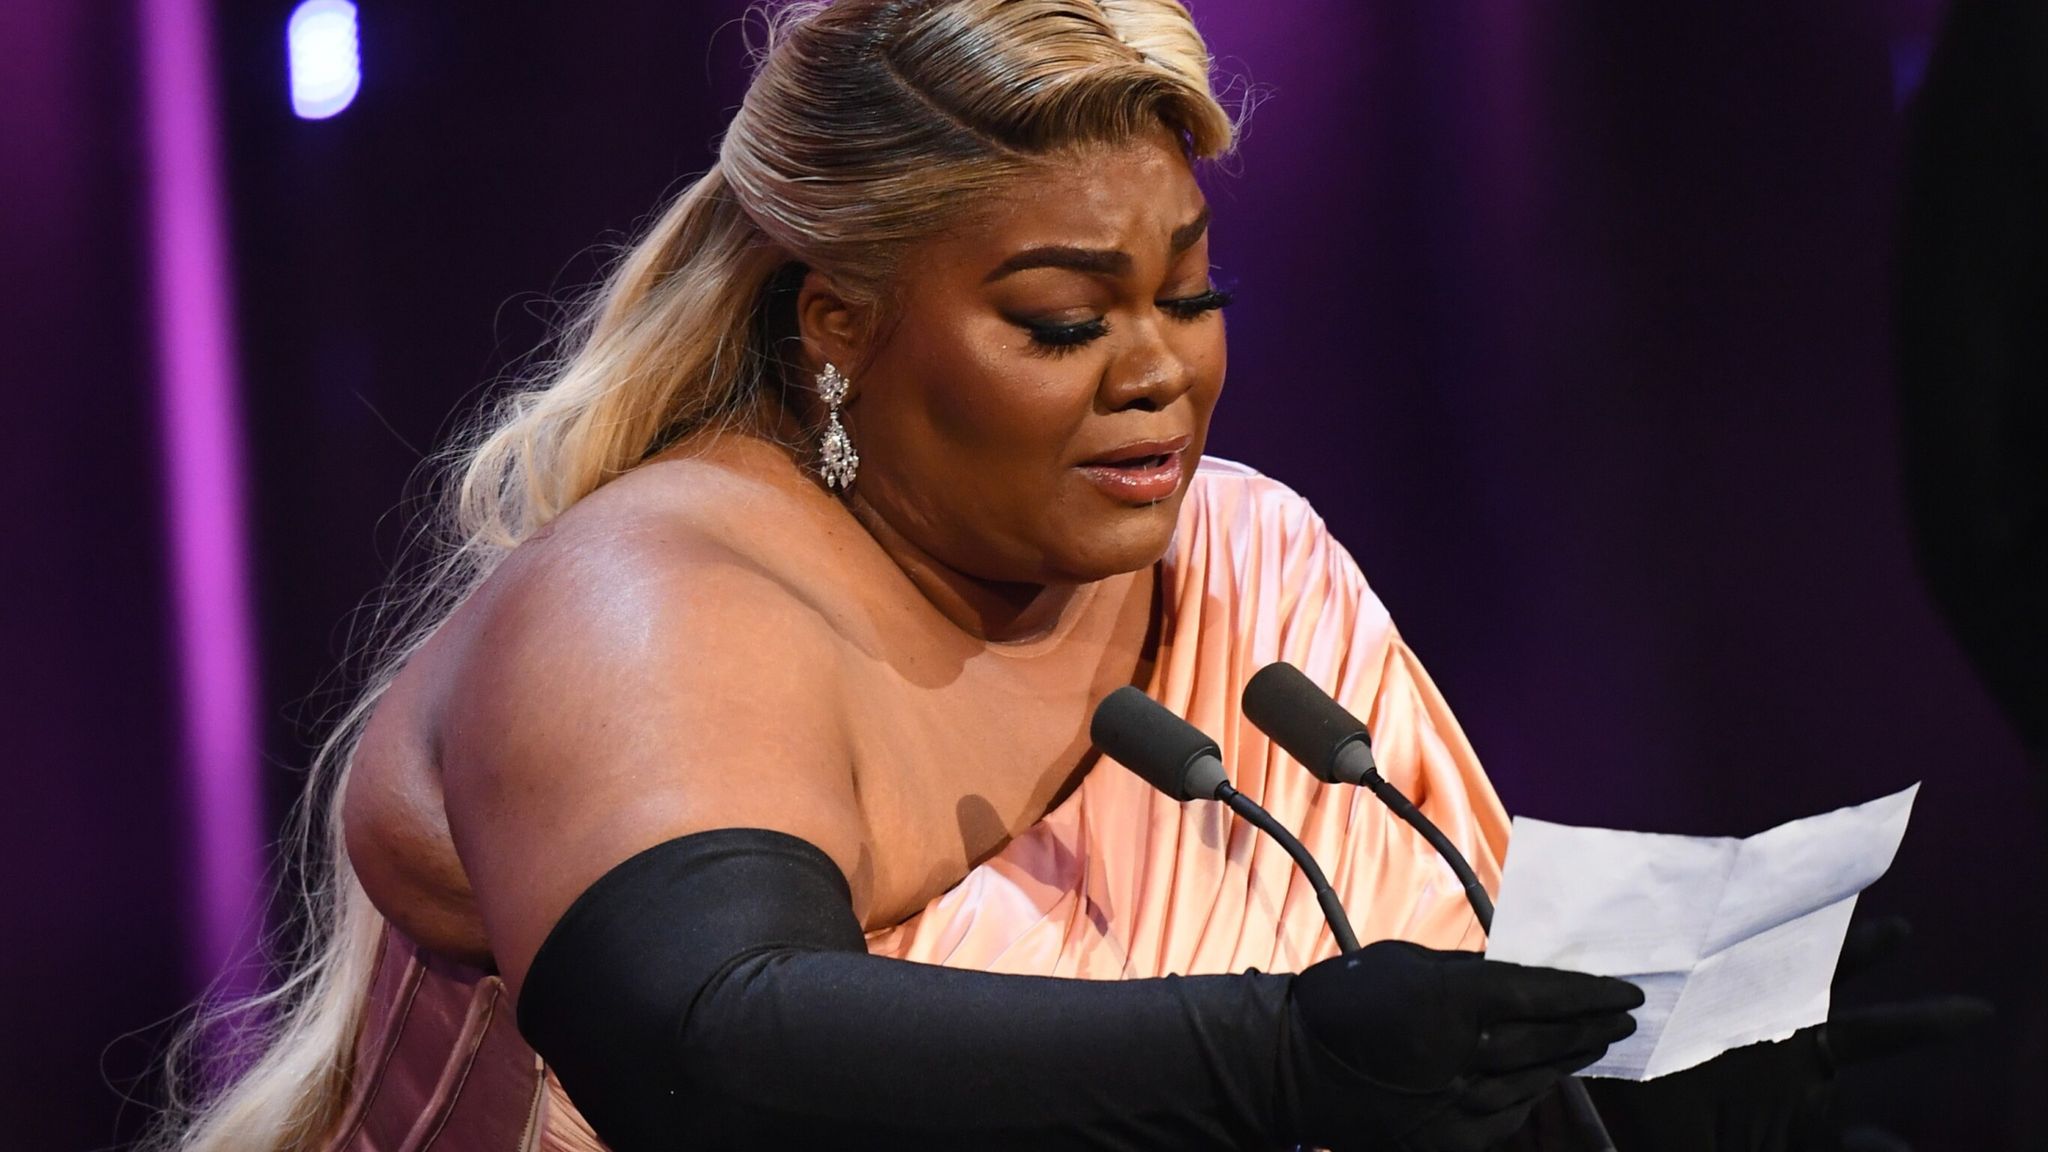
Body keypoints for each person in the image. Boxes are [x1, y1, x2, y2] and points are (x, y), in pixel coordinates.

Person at [155, 1, 1950, 1149]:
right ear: (840, 322)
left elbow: (1423, 964)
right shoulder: (652, 608)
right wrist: (1287, 1066)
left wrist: (1660, 1073)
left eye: (1189, 295)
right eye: (1064, 320)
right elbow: (705, 1049)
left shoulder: (1240, 557)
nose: (1157, 367)